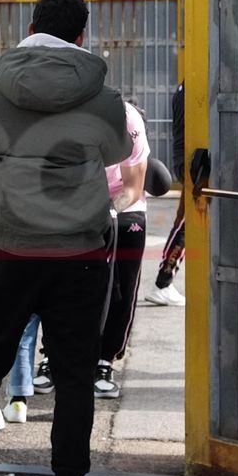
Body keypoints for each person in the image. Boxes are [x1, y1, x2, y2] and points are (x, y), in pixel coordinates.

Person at [0, 0, 132, 476]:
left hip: (8, 248)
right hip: (79, 254)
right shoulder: (105, 99)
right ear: (82, 34)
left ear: (31, 26)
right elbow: (117, 155)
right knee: (75, 371)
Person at [94, 100, 151, 398]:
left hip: (122, 204)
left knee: (121, 284)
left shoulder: (126, 119)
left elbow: (133, 186)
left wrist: (105, 211)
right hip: (74, 203)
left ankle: (107, 359)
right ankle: (53, 355)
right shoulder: (55, 112)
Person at [145, 81, 187, 306]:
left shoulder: (186, 85)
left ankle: (164, 282)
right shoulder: (195, 83)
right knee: (186, 223)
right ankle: (163, 282)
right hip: (194, 162)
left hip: (187, 159)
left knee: (186, 222)